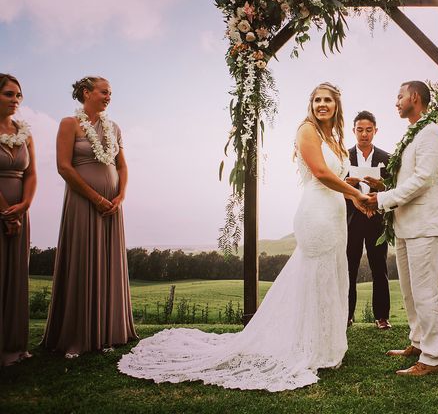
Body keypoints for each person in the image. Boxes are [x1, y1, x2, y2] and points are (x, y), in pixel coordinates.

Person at [118, 82, 369, 391]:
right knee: (314, 276)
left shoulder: (334, 136)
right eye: (317, 99)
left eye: (327, 100)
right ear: (311, 104)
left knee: (330, 276)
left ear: (337, 105)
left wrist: (353, 181)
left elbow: (336, 174)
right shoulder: (307, 130)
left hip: (334, 215)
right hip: (316, 214)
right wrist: (355, 194)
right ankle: (308, 347)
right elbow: (319, 173)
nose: (322, 104)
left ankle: (324, 345)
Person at [42, 76, 137, 358]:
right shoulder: (69, 124)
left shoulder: (114, 127)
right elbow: (63, 167)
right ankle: (77, 335)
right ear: (87, 93)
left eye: (110, 93)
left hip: (111, 207)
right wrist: (95, 198)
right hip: (83, 203)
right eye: (104, 92)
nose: (109, 97)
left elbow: (122, 165)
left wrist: (119, 198)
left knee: (108, 263)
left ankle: (111, 332)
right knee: (83, 261)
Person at [366, 80, 438, 376]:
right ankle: (417, 341)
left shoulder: (431, 133)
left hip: (425, 227)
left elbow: (424, 179)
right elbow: (406, 182)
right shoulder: (413, 135)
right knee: (410, 293)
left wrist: (382, 199)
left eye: (399, 96)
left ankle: (434, 357)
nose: (396, 101)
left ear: (415, 97)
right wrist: (383, 186)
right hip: (404, 226)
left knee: (425, 293)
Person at [0, 73, 37, 366]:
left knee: (16, 275)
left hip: (21, 211)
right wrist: (5, 211)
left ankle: (14, 345)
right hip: (3, 208)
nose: (15, 100)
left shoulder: (25, 133)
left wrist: (23, 205)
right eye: (8, 94)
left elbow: (32, 173)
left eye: (18, 95)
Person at [345, 110, 391, 329]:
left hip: (376, 219)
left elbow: (394, 188)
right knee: (348, 267)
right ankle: (346, 315)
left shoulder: (386, 157)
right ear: (353, 131)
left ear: (375, 131)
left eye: (368, 130)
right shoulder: (343, 156)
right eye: (360, 130)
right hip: (351, 220)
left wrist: (380, 189)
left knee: (379, 267)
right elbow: (334, 187)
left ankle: (382, 317)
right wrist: (348, 184)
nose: (364, 134)